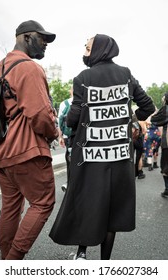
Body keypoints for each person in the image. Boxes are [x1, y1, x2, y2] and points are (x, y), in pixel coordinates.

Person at [49, 34, 155, 260]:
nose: (85, 52)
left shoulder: (82, 78)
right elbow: (147, 106)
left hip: (89, 155)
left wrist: (74, 119)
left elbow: (73, 119)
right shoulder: (126, 75)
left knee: (87, 201)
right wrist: (130, 119)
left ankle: (81, 253)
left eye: (87, 48)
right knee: (113, 208)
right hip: (119, 155)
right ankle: (104, 263)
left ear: (98, 50)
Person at [0, 20, 59, 260]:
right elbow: (40, 114)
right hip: (27, 149)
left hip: (2, 153)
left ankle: (5, 263)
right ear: (25, 37)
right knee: (43, 203)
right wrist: (54, 133)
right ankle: (12, 263)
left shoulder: (1, 67)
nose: (45, 44)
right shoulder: (29, 68)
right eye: (42, 38)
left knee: (11, 208)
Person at [151, 92, 168, 198]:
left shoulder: (165, 109)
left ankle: (167, 188)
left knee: (165, 166)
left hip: (167, 142)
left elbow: (154, 120)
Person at [58, 87, 73, 192]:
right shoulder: (84, 102)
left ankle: (70, 184)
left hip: (68, 138)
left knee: (70, 161)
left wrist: (60, 137)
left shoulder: (64, 104)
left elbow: (59, 121)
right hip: (80, 137)